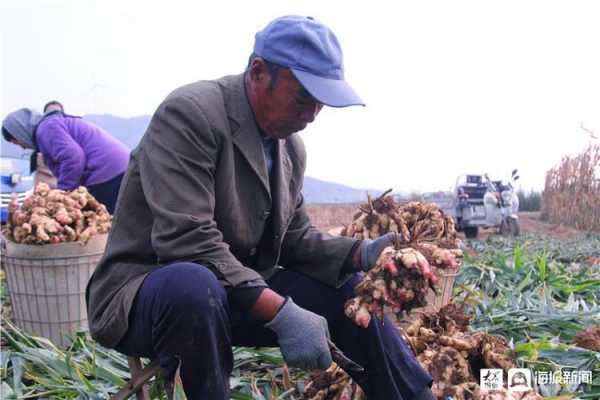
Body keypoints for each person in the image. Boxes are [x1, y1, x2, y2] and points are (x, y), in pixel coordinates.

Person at [86, 15, 435, 399]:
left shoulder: (289, 148)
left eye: (320, 102)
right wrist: (280, 313)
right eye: (303, 96)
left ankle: (415, 395)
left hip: (232, 294)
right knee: (193, 284)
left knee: (349, 291)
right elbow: (187, 240)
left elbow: (295, 237)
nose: (312, 113)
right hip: (147, 294)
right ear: (258, 72)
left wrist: (360, 253)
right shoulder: (191, 114)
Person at [2, 107, 129, 213]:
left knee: (105, 222)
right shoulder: (51, 125)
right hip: (119, 168)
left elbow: (73, 158)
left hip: (108, 173)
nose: (21, 146)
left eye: (16, 141)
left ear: (20, 131)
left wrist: (62, 194)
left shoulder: (46, 129)